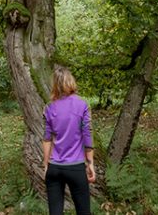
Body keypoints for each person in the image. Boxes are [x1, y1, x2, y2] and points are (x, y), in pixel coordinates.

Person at [42, 66, 95, 215]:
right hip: (76, 167)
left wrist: (46, 165)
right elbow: (87, 135)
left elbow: (47, 139)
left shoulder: (49, 108)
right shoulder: (83, 105)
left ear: (55, 85)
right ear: (71, 82)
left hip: (54, 168)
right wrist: (90, 163)